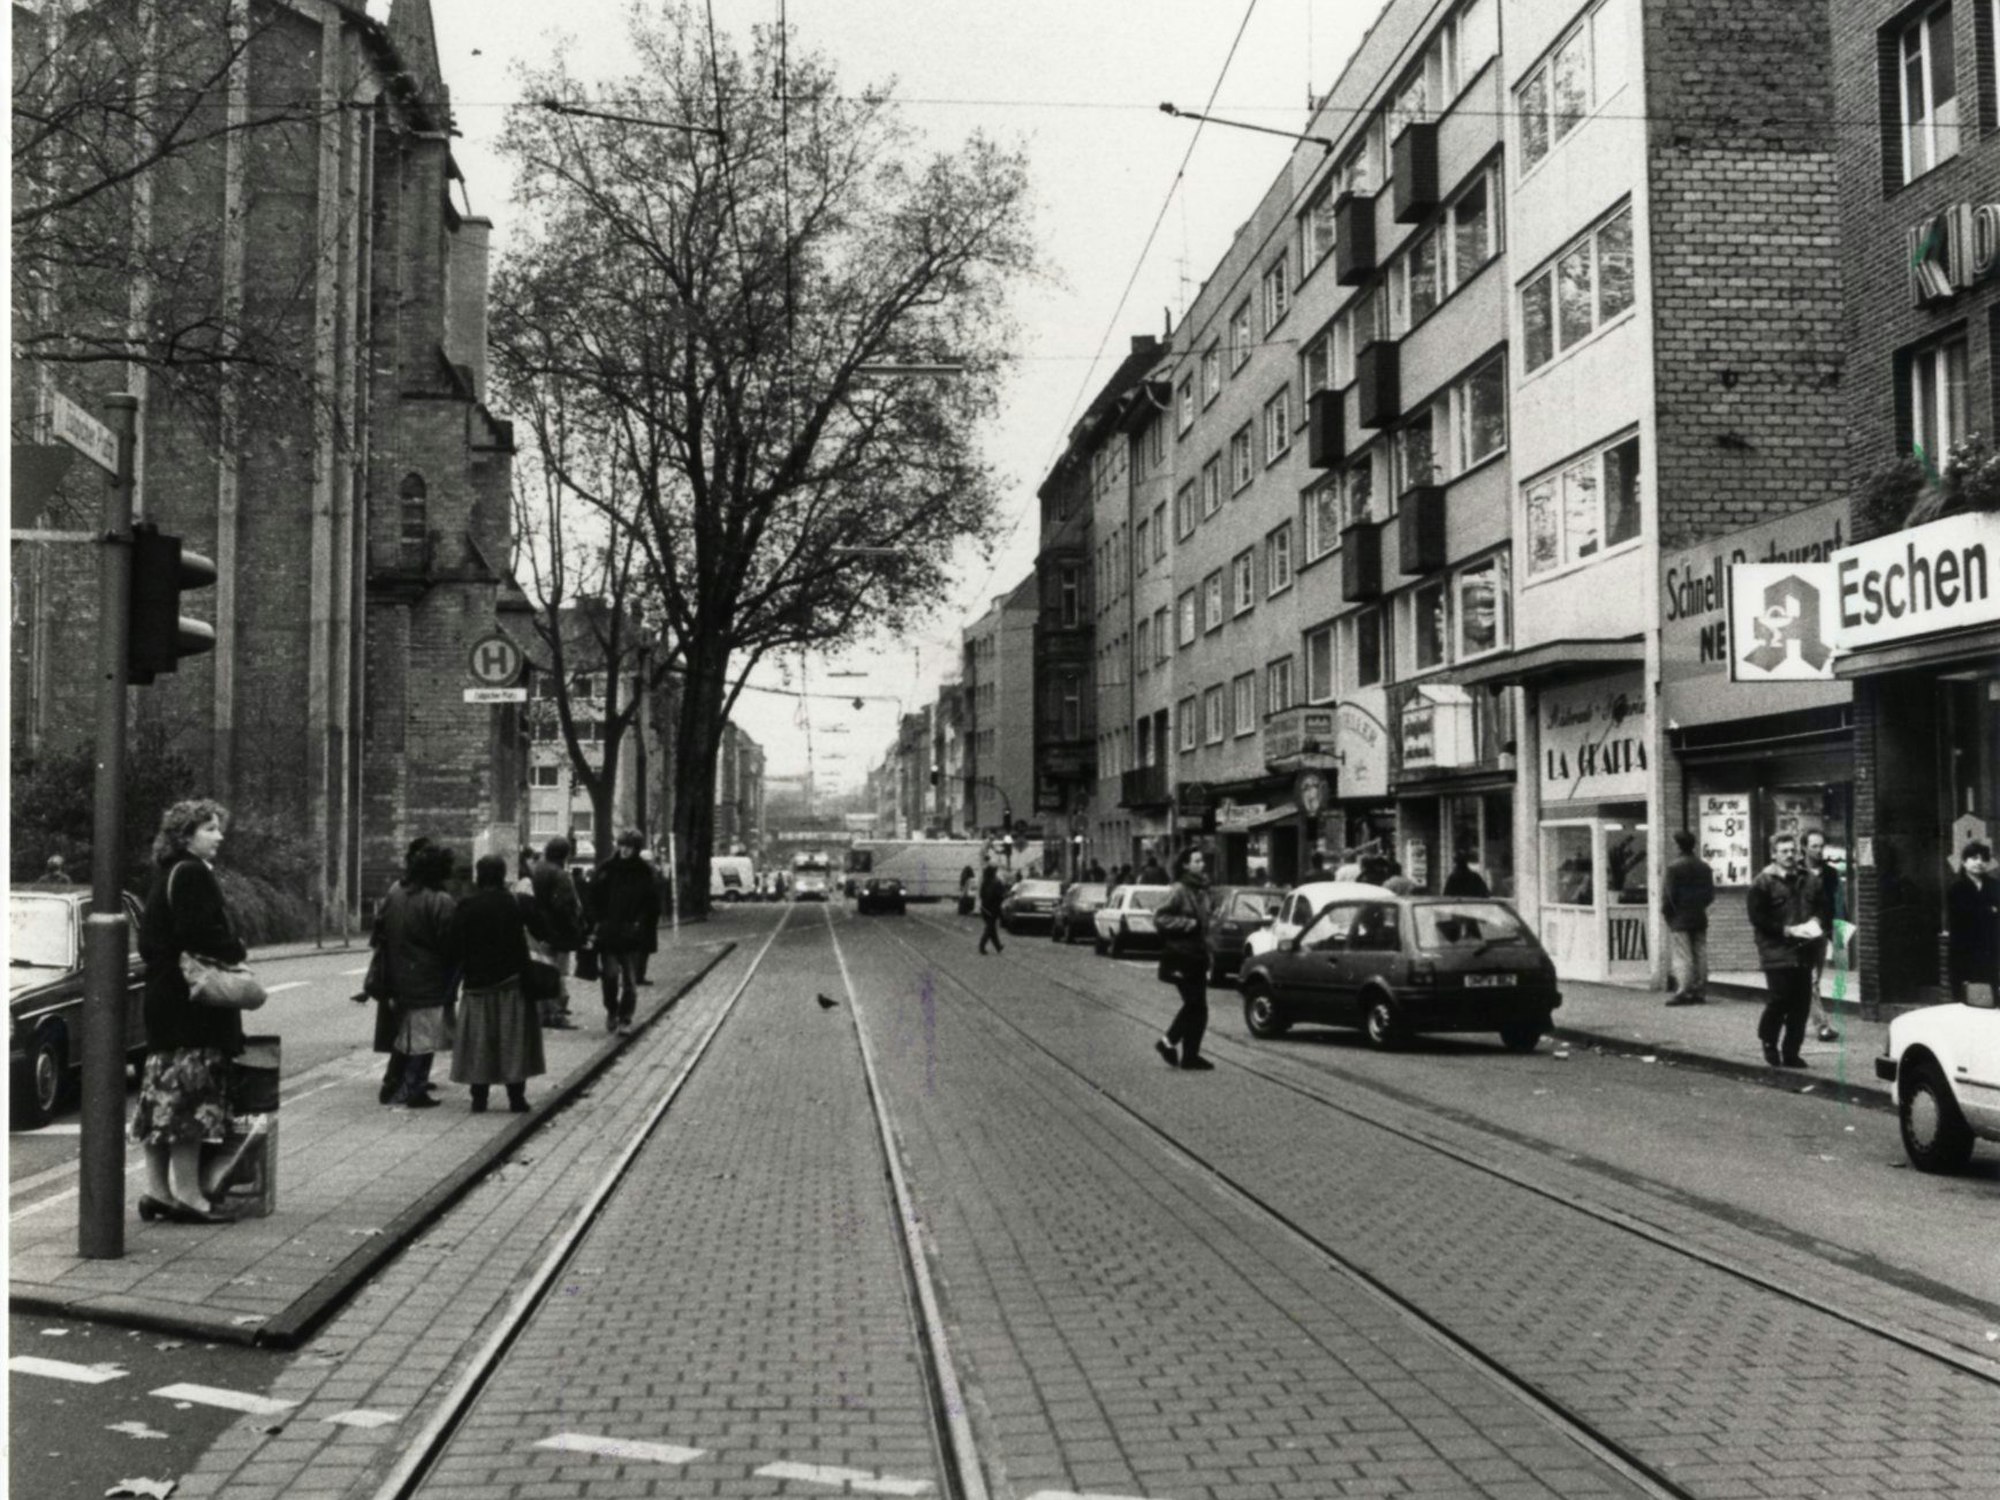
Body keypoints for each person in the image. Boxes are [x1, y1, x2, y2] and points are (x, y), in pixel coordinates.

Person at [132, 800, 248, 1225]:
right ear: (186, 835)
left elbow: (154, 940)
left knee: (162, 1099)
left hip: (165, 1002)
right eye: (210, 829)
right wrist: (235, 948)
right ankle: (189, 1197)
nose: (219, 836)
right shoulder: (194, 873)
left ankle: (157, 1192)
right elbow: (199, 932)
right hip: (191, 1006)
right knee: (191, 1101)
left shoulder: (166, 873)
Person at [450, 854, 547, 1113]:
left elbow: (454, 946)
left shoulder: (466, 906)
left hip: (477, 985)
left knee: (479, 1043)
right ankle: (517, 1098)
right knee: (513, 1041)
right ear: (504, 874)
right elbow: (544, 930)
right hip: (512, 983)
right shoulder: (518, 903)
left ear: (478, 876)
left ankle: (478, 1098)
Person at [376, 843, 458, 1106]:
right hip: (428, 977)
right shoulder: (440, 900)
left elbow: (380, 930)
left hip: (396, 975)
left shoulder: (395, 892)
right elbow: (449, 943)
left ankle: (391, 1083)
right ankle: (414, 1089)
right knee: (425, 1036)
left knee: (405, 1034)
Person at [1747, 832, 1816, 1068]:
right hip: (1776, 950)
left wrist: (1816, 922)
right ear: (1773, 854)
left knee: (1802, 1004)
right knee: (1780, 999)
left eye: (1792, 851)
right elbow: (1757, 918)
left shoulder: (1807, 879)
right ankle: (1768, 1042)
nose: (1789, 855)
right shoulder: (1762, 882)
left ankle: (1791, 1051)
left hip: (1803, 950)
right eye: (1784, 851)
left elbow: (1821, 904)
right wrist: (1786, 931)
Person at [591, 831, 661, 1034]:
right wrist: (598, 922)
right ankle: (612, 1010)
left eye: (629, 846)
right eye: (622, 845)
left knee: (630, 981)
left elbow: (652, 903)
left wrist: (641, 924)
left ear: (636, 849)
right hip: (609, 933)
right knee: (610, 976)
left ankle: (625, 1018)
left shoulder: (644, 872)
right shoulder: (607, 869)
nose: (624, 850)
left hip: (632, 935)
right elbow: (593, 896)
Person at [1152, 847, 1215, 1071]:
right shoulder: (1179, 889)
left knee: (1201, 1007)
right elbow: (1160, 917)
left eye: (1202, 860)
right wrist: (1188, 924)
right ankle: (1168, 1042)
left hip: (1197, 956)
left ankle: (1190, 1056)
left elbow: (1205, 925)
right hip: (1181, 955)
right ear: (1186, 865)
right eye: (1197, 861)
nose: (1202, 864)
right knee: (1194, 1003)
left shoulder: (1202, 890)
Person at [529, 836, 585, 1029]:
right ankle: (556, 1014)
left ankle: (542, 1011)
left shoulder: (538, 870)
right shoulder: (560, 875)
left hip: (539, 928)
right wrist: (575, 926)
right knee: (558, 971)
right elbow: (564, 905)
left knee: (543, 968)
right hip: (558, 930)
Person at [1661, 829, 1715, 1007]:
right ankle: (1699, 990)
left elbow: (1668, 895)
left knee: (1682, 956)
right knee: (1700, 953)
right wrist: (1699, 906)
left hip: (1679, 917)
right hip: (1699, 915)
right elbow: (1709, 895)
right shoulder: (1704, 867)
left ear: (1677, 845)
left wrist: (1668, 914)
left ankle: (1683, 990)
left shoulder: (1673, 868)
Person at [1945, 839, 2000, 1003]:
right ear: (1964, 861)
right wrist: (1989, 911)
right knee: (1968, 1000)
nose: (1979, 863)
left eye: (1984, 859)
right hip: (1965, 953)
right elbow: (1961, 922)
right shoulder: (1957, 889)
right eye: (1974, 858)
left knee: (1992, 1001)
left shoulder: (1995, 886)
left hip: (1992, 952)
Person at [1802, 831, 1843, 1040]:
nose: (1818, 850)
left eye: (1821, 846)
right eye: (1814, 846)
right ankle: (1821, 1026)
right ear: (1804, 848)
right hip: (1800, 933)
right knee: (1809, 980)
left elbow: (1835, 904)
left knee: (1813, 979)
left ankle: (1794, 1017)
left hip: (1821, 931)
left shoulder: (1830, 873)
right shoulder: (1796, 871)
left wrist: (1837, 931)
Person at [977, 863, 1006, 954]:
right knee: (990, 928)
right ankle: (982, 946)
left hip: (984, 908)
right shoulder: (996, 882)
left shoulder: (985, 882)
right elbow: (1000, 895)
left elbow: (981, 895)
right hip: (993, 908)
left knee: (992, 928)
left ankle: (998, 946)